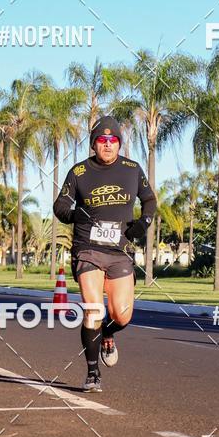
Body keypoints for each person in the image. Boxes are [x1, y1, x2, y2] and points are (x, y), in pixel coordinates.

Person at [54, 116, 157, 392]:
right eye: (102, 140)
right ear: (93, 144)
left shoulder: (132, 170)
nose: (108, 145)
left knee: (121, 315)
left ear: (119, 144)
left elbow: (149, 200)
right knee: (93, 308)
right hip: (88, 248)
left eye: (113, 141)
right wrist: (77, 214)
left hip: (120, 251)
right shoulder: (79, 173)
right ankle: (92, 372)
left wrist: (144, 222)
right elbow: (60, 205)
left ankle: (108, 333)